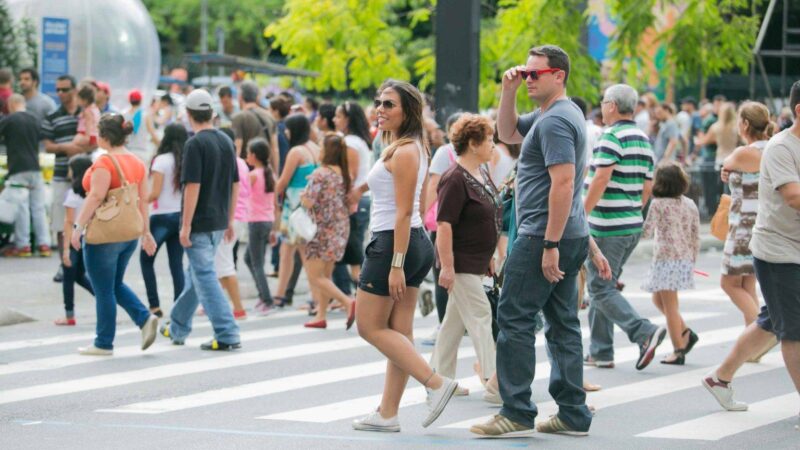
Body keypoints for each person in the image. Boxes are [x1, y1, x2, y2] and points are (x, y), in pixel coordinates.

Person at [470, 44, 608, 438]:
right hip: (565, 233)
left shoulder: (554, 121)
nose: (528, 78)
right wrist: (508, 90)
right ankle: (572, 413)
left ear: (558, 75)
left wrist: (549, 244)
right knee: (562, 323)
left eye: (535, 74)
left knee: (513, 319)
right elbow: (507, 132)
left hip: (543, 235)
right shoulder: (558, 114)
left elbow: (563, 183)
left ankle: (515, 410)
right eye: (526, 73)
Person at [350, 79, 456, 432]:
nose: (380, 109)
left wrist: (395, 265)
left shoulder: (408, 150)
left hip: (396, 244)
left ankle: (436, 384)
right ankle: (388, 413)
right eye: (379, 102)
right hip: (405, 243)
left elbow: (401, 211)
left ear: (408, 111)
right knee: (399, 332)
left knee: (370, 327)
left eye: (389, 104)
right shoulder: (402, 146)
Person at [703, 80, 800, 411]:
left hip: (778, 242)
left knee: (773, 319)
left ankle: (720, 377)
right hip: (777, 248)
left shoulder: (760, 150)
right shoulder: (779, 148)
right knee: (791, 330)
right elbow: (793, 196)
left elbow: (726, 167)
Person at [582, 84, 667, 371]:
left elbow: (600, 179)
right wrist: (632, 208)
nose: (602, 107)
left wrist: (581, 214)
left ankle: (643, 332)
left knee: (600, 288)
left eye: (604, 102)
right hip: (630, 223)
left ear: (612, 106)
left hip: (607, 227)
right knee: (604, 285)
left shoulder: (612, 136)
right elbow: (648, 186)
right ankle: (601, 351)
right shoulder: (642, 138)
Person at [70, 114, 159, 355]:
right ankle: (144, 318)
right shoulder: (138, 162)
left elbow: (96, 196)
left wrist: (77, 228)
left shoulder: (104, 163)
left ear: (105, 137)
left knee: (103, 289)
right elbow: (143, 203)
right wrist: (146, 233)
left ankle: (103, 342)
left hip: (104, 234)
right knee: (114, 283)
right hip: (129, 233)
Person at [161, 89, 241, 351]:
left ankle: (227, 332)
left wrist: (185, 225)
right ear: (212, 113)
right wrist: (229, 219)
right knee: (197, 276)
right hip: (218, 221)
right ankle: (177, 326)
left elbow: (191, 187)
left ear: (188, 114)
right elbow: (235, 184)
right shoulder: (225, 141)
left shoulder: (194, 143)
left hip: (200, 222)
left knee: (204, 276)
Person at [430, 113, 500, 399]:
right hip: (460, 263)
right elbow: (444, 224)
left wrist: (490, 256)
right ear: (473, 143)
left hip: (475, 261)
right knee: (481, 315)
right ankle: (495, 381)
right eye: (490, 139)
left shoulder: (480, 174)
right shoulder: (454, 178)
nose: (494, 145)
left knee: (453, 324)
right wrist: (447, 266)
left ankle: (438, 379)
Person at [640, 163, 700, 365]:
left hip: (666, 260)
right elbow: (695, 234)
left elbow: (646, 232)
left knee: (670, 306)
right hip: (683, 258)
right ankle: (686, 333)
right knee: (659, 300)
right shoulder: (690, 203)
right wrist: (692, 258)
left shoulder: (658, 204)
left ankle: (678, 350)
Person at [719, 102, 773, 326]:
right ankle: (751, 345)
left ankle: (761, 331)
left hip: (742, 225)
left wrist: (727, 170)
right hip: (762, 223)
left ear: (745, 124)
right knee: (747, 285)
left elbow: (727, 163)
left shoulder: (743, 152)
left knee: (728, 283)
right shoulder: (772, 148)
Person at [41, 75, 93, 281]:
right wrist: (68, 148)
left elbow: (95, 140)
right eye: (58, 90)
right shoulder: (52, 115)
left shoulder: (86, 112)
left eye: (65, 89)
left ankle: (85, 264)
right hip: (62, 174)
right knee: (61, 222)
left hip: (86, 178)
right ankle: (65, 263)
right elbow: (48, 145)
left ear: (74, 90)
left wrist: (78, 148)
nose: (61, 94)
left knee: (87, 220)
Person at [301, 134, 356, 329]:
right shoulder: (344, 174)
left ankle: (347, 301)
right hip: (340, 228)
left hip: (321, 229)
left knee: (316, 276)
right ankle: (321, 315)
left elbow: (308, 201)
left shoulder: (320, 174)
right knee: (326, 274)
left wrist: (302, 196)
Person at [420, 112, 462, 338]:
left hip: (445, 223)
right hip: (466, 225)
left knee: (443, 275)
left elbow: (434, 185)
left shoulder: (445, 153)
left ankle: (445, 325)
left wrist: (420, 215)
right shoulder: (481, 152)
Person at [139, 123, 186, 318]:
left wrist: (140, 199)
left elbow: (155, 193)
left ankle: (154, 305)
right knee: (176, 264)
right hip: (180, 216)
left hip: (161, 217)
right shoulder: (185, 159)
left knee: (146, 259)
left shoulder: (161, 161)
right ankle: (179, 305)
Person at [272, 114, 319, 308]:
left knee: (301, 253)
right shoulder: (315, 148)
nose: (286, 133)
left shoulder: (296, 152)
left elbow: (282, 182)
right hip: (308, 205)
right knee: (289, 251)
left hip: (294, 207)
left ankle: (315, 298)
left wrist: (272, 195)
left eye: (288, 129)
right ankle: (281, 294)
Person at [0, 94, 51, 257]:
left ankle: (24, 245)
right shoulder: (36, 120)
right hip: (36, 168)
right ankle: (44, 244)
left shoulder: (9, 120)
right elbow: (43, 140)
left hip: (18, 169)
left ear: (12, 104)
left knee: (22, 207)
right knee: (38, 207)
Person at [333, 101, 373, 296]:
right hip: (360, 199)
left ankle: (365, 292)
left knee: (353, 251)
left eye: (338, 116)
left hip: (354, 200)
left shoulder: (350, 143)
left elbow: (349, 174)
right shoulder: (359, 141)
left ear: (348, 119)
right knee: (353, 250)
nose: (335, 120)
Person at [213, 127, 249, 320]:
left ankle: (238, 308)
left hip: (230, 218)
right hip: (240, 216)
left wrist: (228, 220)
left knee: (225, 264)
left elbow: (227, 192)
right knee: (221, 262)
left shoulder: (227, 163)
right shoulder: (241, 163)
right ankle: (219, 303)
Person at [57, 155, 95, 325]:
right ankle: (107, 298)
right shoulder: (94, 192)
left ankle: (69, 315)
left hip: (74, 239)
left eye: (71, 168)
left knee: (69, 277)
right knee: (80, 275)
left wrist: (65, 250)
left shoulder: (72, 194)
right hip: (91, 239)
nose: (68, 172)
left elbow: (69, 223)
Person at [244, 137, 277, 315]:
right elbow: (275, 204)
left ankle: (267, 300)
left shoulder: (254, 175)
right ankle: (262, 296)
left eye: (248, 153)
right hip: (267, 221)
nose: (246, 156)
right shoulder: (270, 174)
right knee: (249, 259)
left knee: (256, 263)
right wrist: (274, 228)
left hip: (256, 222)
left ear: (254, 156)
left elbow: (242, 193)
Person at [231, 81, 278, 168]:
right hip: (265, 171)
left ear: (240, 97)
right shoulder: (269, 116)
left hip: (247, 172)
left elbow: (237, 149)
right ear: (257, 97)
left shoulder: (238, 117)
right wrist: (275, 174)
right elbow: (275, 149)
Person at [124, 89, 150, 162]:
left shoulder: (124, 114)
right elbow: (152, 132)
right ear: (141, 101)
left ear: (129, 100)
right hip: (141, 152)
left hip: (127, 150)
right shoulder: (145, 115)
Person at [73, 85, 101, 149]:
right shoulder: (95, 109)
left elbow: (89, 124)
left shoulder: (87, 111)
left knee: (73, 143)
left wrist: (87, 138)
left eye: (78, 98)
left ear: (85, 100)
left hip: (87, 135)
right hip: (94, 136)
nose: (76, 100)